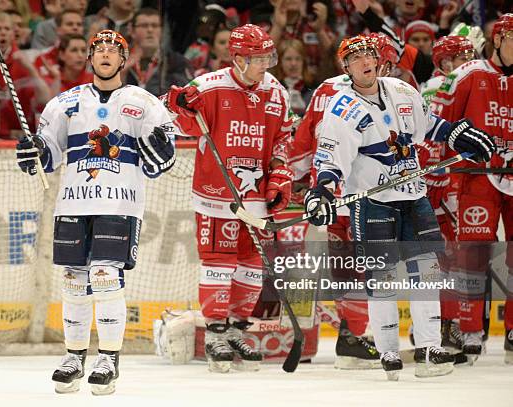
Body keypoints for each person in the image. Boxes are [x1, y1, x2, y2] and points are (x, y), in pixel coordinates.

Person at [303, 35, 495, 380]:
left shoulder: (402, 91)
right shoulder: (341, 108)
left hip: (414, 196)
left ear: (379, 60)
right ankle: (389, 351)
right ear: (345, 67)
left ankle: (430, 347)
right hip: (373, 201)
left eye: (369, 55)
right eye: (356, 58)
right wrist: (322, 191)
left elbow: (431, 125)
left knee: (428, 275)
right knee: (383, 278)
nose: (365, 62)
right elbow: (331, 162)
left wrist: (456, 134)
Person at [15, 29, 177, 394]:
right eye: (98, 48)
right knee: (74, 281)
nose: (105, 54)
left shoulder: (144, 102)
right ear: (89, 58)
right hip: (73, 202)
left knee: (104, 276)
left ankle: (108, 358)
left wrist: (161, 150)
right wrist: (33, 153)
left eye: (113, 49)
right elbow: (48, 157)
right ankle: (73, 357)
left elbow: (163, 160)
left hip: (119, 204)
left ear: (124, 58)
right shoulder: (64, 104)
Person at [164, 23, 293, 373]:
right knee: (219, 263)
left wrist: (280, 173)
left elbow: (285, 137)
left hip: (256, 196)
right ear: (237, 59)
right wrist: (179, 104)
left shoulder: (276, 91)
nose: (266, 64)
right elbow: (171, 115)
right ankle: (216, 332)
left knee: (252, 266)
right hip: (215, 193)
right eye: (258, 58)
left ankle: (237, 328)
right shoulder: (208, 85)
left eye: (269, 56)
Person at [290, 33, 399, 371]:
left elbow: (305, 137)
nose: (372, 63)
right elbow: (310, 133)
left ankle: (350, 336)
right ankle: (351, 336)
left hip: (343, 192)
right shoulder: (339, 90)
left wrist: (298, 178)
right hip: (349, 192)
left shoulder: (389, 91)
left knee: (351, 267)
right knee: (358, 267)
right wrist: (297, 180)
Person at [432, 13, 513, 364]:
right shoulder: (468, 73)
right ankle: (469, 330)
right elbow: (434, 117)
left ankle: (512, 330)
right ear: (498, 40)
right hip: (476, 175)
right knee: (472, 256)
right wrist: (434, 172)